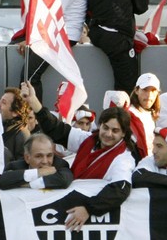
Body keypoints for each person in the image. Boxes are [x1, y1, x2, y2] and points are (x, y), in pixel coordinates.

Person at [27, 82, 135, 229]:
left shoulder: (123, 157)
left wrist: (89, 209)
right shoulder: (87, 140)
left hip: (91, 219)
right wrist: (34, 102)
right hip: (67, 209)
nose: (108, 134)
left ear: (123, 133)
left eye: (115, 131)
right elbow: (56, 129)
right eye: (106, 128)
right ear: (100, 125)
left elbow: (120, 189)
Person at [85, 0, 150, 94]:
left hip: (97, 35)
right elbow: (142, 6)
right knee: (128, 87)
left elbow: (88, 12)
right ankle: (120, 115)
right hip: (118, 38)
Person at [0, 133, 75, 191]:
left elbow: (64, 180)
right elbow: (2, 181)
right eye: (39, 156)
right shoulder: (15, 166)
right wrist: (38, 172)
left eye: (49, 155)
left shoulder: (60, 164)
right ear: (27, 158)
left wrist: (29, 185)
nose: (45, 161)